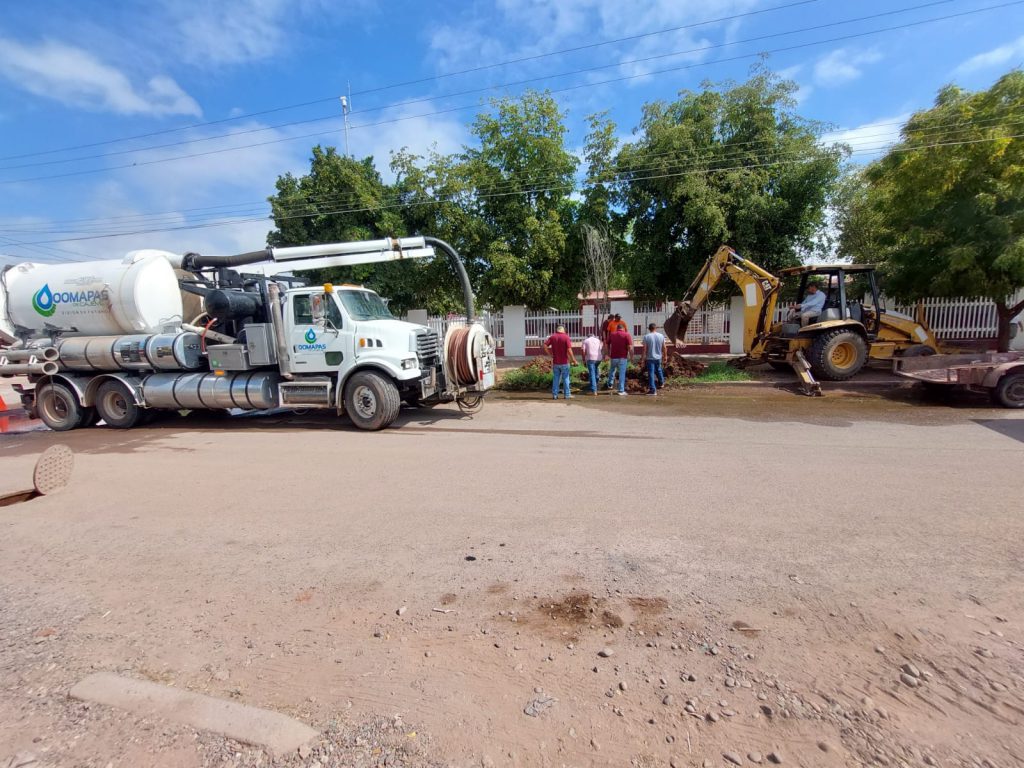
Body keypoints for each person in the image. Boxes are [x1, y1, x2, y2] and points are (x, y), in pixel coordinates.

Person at [543, 324, 577, 400]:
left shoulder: (552, 337)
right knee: (566, 378)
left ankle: (555, 395)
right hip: (565, 362)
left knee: (556, 378)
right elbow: (569, 350)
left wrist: (550, 354)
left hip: (556, 362)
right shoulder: (566, 337)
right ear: (564, 330)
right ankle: (567, 395)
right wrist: (574, 360)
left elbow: (545, 346)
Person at [605, 324, 632, 396]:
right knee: (621, 374)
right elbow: (629, 347)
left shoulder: (612, 334)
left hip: (613, 357)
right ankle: (621, 390)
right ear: (623, 328)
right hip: (623, 357)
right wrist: (631, 356)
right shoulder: (627, 335)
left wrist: (608, 353)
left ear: (617, 328)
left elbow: (607, 343)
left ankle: (610, 384)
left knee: (612, 370)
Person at [642, 322, 667, 395]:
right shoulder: (661, 336)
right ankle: (661, 383)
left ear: (649, 329)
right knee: (659, 370)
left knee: (651, 373)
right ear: (655, 328)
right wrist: (665, 356)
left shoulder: (646, 337)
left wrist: (642, 359)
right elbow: (664, 347)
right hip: (658, 357)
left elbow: (644, 349)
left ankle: (653, 390)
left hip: (650, 358)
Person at [581, 330, 603, 396]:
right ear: (593, 336)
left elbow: (583, 351)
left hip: (590, 358)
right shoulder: (598, 340)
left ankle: (594, 390)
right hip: (598, 358)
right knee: (596, 371)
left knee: (592, 373)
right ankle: (595, 385)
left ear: (588, 336)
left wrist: (584, 360)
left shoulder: (586, 341)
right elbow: (601, 348)